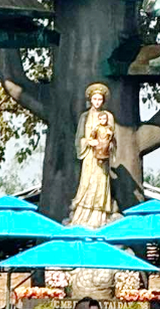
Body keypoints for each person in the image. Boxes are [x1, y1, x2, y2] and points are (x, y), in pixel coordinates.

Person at [69, 82, 116, 229]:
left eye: (100, 99)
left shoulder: (108, 116)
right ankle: (82, 215)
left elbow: (113, 139)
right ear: (90, 100)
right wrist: (89, 142)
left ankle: (99, 216)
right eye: (94, 99)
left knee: (101, 182)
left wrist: (106, 145)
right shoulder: (85, 116)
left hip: (102, 158)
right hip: (89, 156)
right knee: (87, 182)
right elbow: (79, 138)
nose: (97, 102)